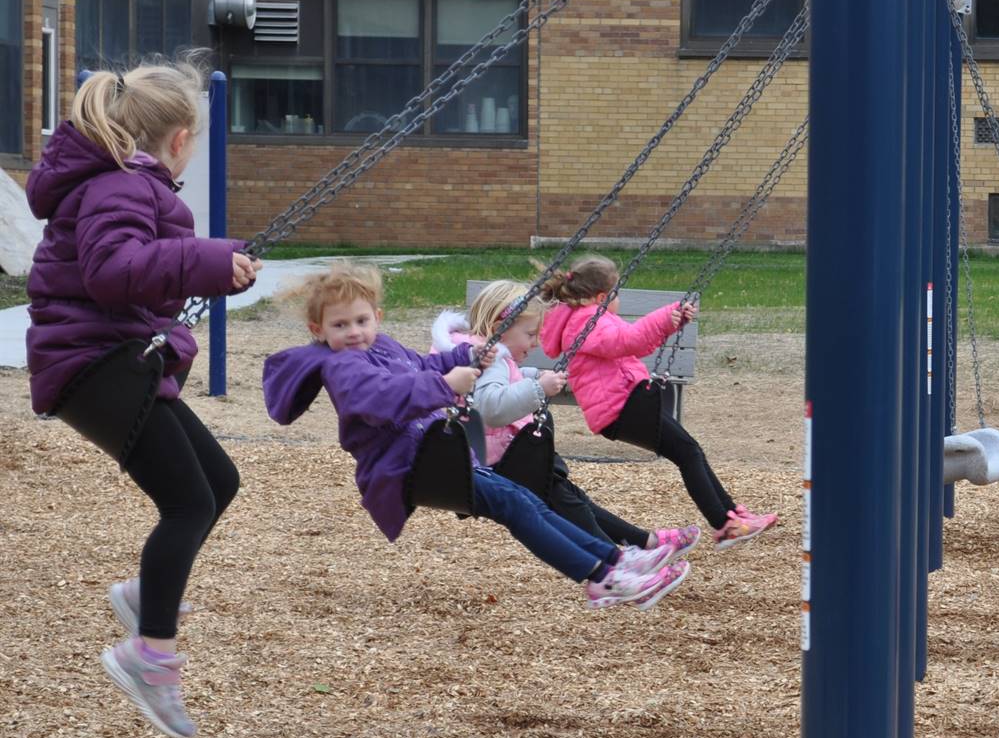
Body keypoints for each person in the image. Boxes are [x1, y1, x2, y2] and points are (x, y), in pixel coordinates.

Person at [24, 58, 261, 738]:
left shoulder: (127, 185)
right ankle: (149, 657)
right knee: (187, 500)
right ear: (180, 139)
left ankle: (143, 594)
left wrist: (225, 265)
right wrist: (206, 260)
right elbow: (111, 273)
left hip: (115, 357)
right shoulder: (121, 188)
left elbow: (151, 274)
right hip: (96, 364)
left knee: (219, 480)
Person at [262, 262, 689, 610]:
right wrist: (448, 384)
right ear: (319, 330)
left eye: (361, 320)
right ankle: (601, 577)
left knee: (523, 501)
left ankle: (616, 560)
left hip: (432, 453)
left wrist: (466, 355)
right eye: (340, 325)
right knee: (513, 503)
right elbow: (381, 397)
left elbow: (418, 365)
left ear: (378, 317)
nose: (353, 332)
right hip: (406, 467)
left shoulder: (383, 346)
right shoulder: (344, 367)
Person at [431, 281, 700, 562]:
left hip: (489, 457)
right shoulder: (493, 358)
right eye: (530, 334)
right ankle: (619, 563)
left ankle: (642, 542)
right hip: (500, 464)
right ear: (502, 324)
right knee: (568, 502)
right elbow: (491, 408)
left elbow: (498, 385)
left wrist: (533, 377)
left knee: (569, 497)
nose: (535, 342)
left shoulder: (474, 351)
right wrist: (538, 389)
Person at [539, 256, 778, 549]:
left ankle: (730, 517)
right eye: (617, 293)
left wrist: (669, 324)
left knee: (688, 451)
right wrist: (667, 317)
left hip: (624, 404)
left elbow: (628, 345)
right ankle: (725, 523)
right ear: (603, 296)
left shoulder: (588, 318)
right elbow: (628, 341)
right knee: (688, 452)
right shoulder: (586, 322)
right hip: (622, 408)